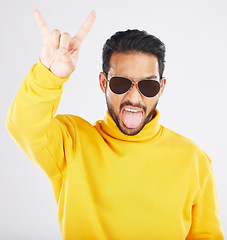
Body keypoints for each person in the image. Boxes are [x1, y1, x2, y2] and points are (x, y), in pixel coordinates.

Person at [6, 9, 224, 240]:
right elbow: (23, 125)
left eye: (148, 86)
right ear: (104, 82)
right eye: (121, 83)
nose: (134, 98)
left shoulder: (194, 159)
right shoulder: (72, 143)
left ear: (161, 87)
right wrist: (49, 75)